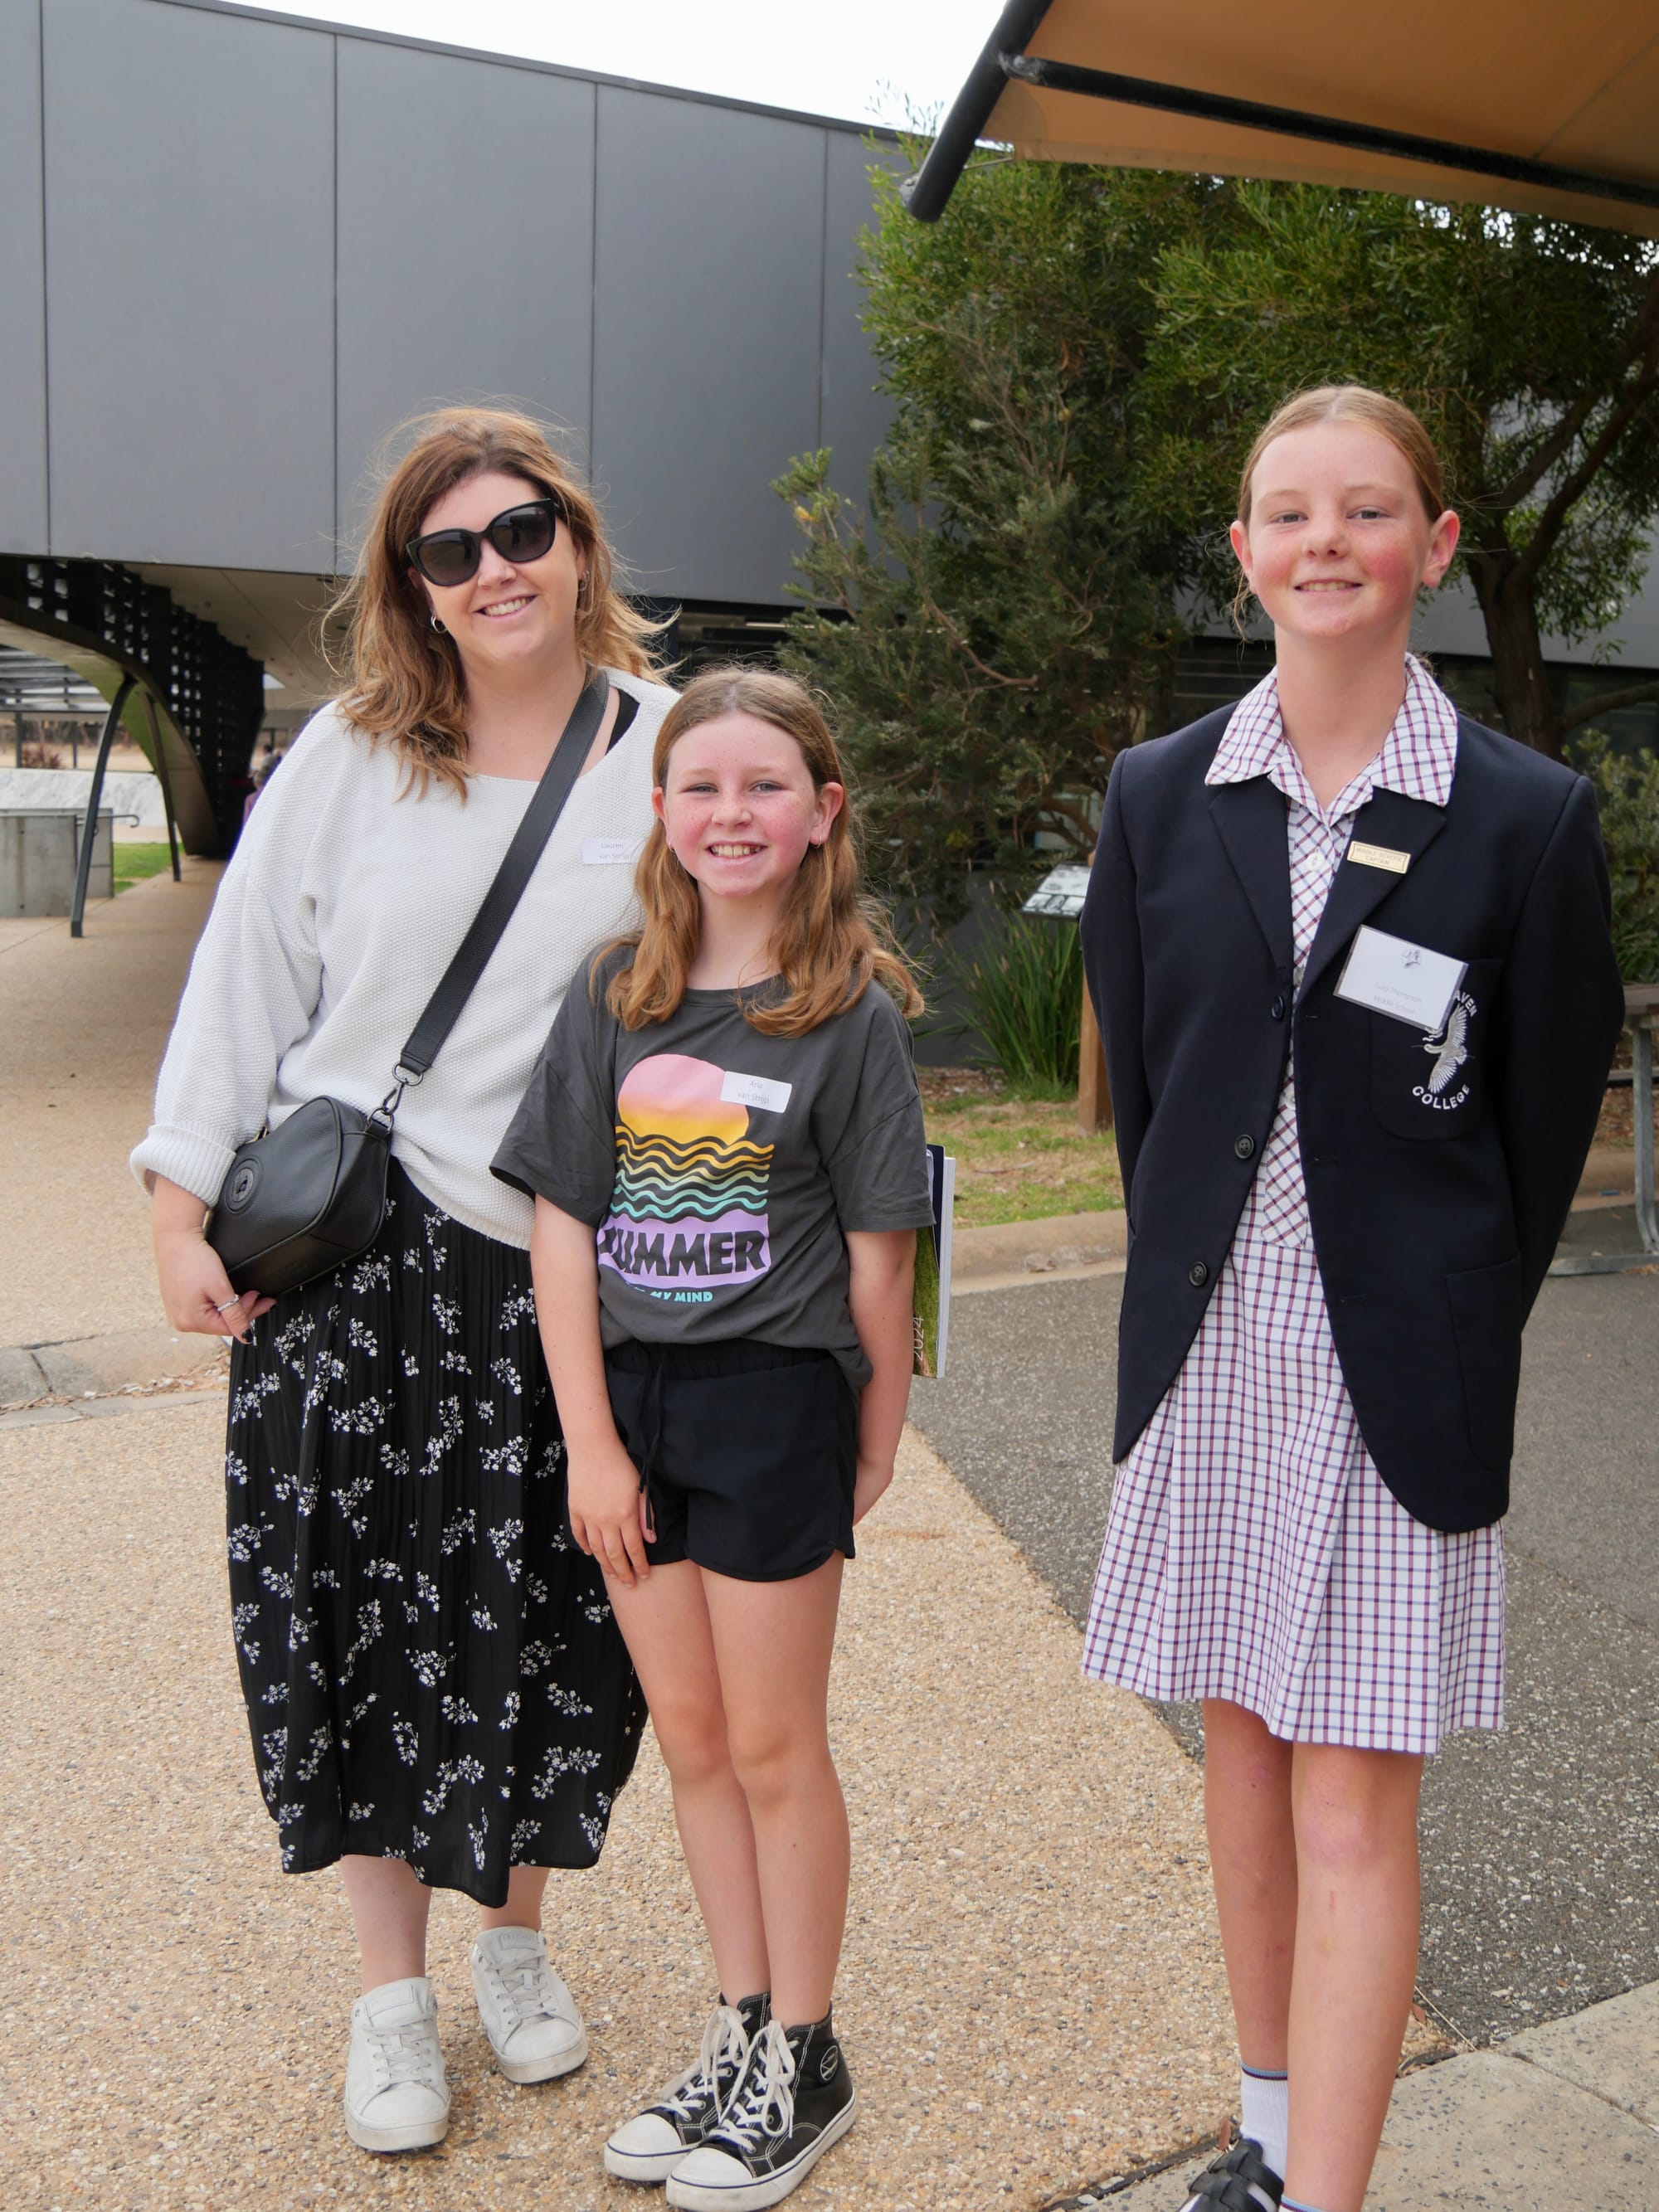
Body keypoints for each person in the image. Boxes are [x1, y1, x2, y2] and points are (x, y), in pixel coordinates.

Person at [1080, 386, 1623, 2212]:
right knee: (1236, 1753)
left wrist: (1431, 1289)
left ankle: (1324, 2199)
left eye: (1367, 510)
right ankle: (1258, 2129)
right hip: (1214, 1350)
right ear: (1242, 550)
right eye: (1287, 510)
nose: (1325, 539)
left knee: (1347, 1799)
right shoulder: (1162, 796)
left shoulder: (1524, 819)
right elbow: (1151, 1095)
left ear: (1435, 548)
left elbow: (1542, 1129)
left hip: (1399, 1365)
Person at [133, 408, 677, 2155]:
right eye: (450, 550)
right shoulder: (351, 764)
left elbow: (727, 1009)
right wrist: (175, 1203)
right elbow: (239, 991)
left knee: (554, 1612)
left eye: (520, 529)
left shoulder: (668, 751)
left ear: (577, 542)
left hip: (567, 1271)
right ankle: (389, 1993)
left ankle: (515, 1942)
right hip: (360, 1260)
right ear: (413, 589)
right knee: (354, 1612)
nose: (493, 568)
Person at [491, 665, 933, 2209]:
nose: (730, 813)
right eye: (702, 787)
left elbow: (884, 1256)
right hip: (634, 1409)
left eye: (764, 787)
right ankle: (742, 2025)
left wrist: (875, 1434)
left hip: (771, 1405)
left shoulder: (850, 1016)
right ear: (663, 814)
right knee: (687, 1743)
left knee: (769, 1744)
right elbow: (562, 1232)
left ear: (822, 817)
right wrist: (590, 1444)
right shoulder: (615, 993)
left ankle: (807, 2055)